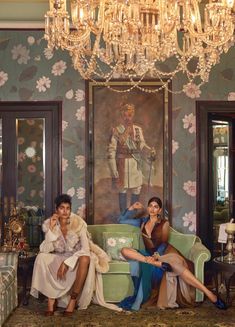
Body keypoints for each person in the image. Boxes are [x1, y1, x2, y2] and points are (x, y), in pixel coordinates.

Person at [118, 197, 227, 310]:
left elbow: (164, 242)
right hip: (147, 256)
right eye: (150, 206)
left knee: (175, 265)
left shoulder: (164, 223)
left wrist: (157, 257)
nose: (152, 209)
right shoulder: (141, 222)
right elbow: (121, 220)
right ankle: (153, 263)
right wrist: (132, 208)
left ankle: (210, 294)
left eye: (156, 207)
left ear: (159, 210)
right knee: (124, 250)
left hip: (165, 252)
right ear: (147, 207)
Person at [30, 194, 121, 316]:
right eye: (62, 208)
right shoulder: (49, 224)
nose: (65, 211)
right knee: (41, 257)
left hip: (76, 256)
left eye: (68, 208)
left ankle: (73, 300)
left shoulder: (78, 223)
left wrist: (67, 263)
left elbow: (85, 249)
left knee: (85, 259)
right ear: (56, 210)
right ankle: (51, 300)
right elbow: (45, 249)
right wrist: (51, 230)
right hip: (59, 256)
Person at [107, 102, 156, 213]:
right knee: (122, 189)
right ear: (122, 115)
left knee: (136, 188)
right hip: (121, 164)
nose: (127, 117)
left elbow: (142, 144)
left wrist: (149, 150)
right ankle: (123, 216)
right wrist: (113, 169)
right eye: (125, 114)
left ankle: (133, 215)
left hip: (135, 163)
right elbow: (111, 151)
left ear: (133, 114)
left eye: (130, 114)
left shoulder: (138, 129)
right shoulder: (116, 130)